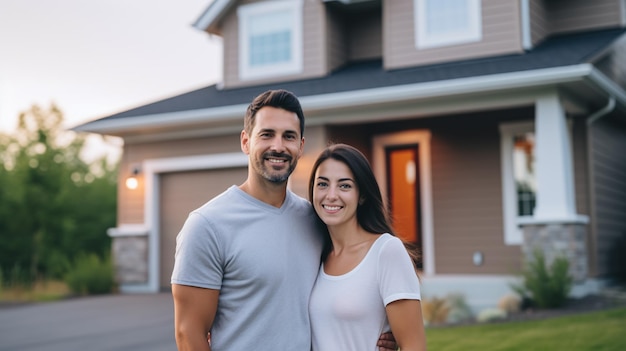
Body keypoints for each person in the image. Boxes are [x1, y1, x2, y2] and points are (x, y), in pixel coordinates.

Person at [170, 90, 398, 351]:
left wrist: (373, 333)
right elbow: (189, 333)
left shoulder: (316, 220)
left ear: (300, 146)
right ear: (246, 141)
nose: (278, 146)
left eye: (288, 136)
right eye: (266, 134)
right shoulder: (207, 225)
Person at [308, 143, 427, 351]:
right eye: (323, 184)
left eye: (344, 185)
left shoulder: (386, 251)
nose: (331, 195)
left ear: (362, 195)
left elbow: (413, 345)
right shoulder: (315, 253)